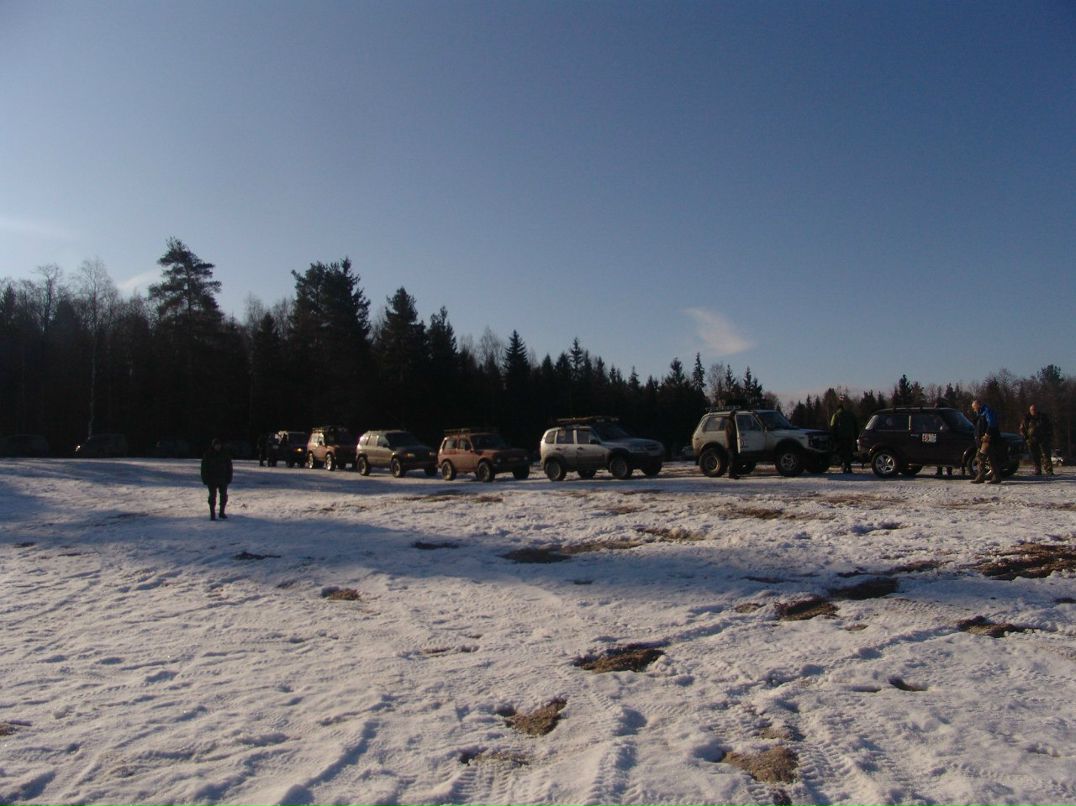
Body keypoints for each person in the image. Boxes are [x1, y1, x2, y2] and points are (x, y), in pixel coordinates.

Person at [970, 400, 1004, 484]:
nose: (974, 410)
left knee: (980, 457)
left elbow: (992, 423)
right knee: (991, 458)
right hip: (982, 441)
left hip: (987, 440)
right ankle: (996, 476)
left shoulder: (987, 411)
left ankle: (981, 477)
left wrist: (987, 434)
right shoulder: (980, 414)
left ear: (978, 406)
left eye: (974, 408)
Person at [201, 438, 234, 520]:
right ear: (213, 445)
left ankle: (222, 512)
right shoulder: (208, 454)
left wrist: (229, 477)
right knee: (212, 496)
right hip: (211, 479)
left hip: (223, 478)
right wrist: (204, 478)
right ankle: (212, 513)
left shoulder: (225, 454)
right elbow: (204, 467)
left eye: (219, 445)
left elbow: (229, 467)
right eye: (216, 445)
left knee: (223, 496)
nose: (218, 446)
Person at [1019, 404, 1055, 476]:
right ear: (1030, 411)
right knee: (1035, 455)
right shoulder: (1026, 418)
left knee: (1046, 455)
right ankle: (1037, 469)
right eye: (1032, 410)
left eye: (1035, 410)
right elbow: (1022, 429)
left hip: (1043, 438)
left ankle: (1049, 470)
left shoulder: (1043, 417)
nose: (1034, 411)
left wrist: (1049, 436)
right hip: (1031, 439)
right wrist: (1026, 438)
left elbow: (1049, 426)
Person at [829, 396, 858, 473]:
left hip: (841, 437)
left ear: (838, 408)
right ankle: (848, 467)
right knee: (848, 452)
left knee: (843, 452)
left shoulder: (836, 415)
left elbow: (832, 427)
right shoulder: (851, 414)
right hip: (850, 437)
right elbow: (856, 425)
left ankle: (845, 467)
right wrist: (856, 436)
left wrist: (833, 438)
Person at [725, 410, 740, 479]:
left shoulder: (732, 422)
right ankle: (731, 474)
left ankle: (733, 473)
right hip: (730, 444)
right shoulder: (730, 422)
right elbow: (731, 434)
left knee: (734, 459)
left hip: (732, 443)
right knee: (732, 459)